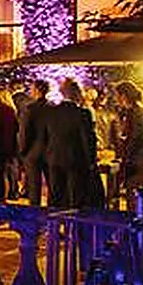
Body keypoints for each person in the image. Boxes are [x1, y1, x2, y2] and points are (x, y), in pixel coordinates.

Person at [46, 78, 98, 209]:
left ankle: (54, 225)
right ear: (77, 93)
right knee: (75, 197)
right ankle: (73, 227)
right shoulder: (82, 114)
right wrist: (91, 161)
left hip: (54, 159)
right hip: (75, 160)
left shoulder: (51, 113)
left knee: (56, 196)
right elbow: (87, 139)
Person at [111, 80, 143, 211]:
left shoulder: (132, 113)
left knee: (135, 199)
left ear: (123, 96)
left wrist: (124, 157)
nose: (116, 99)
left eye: (117, 95)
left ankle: (137, 227)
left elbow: (134, 138)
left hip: (138, 162)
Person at [18, 80, 54, 207]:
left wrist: (22, 150)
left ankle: (35, 216)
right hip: (50, 151)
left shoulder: (30, 109)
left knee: (34, 187)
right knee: (52, 186)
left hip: (32, 152)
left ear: (37, 90)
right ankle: (51, 214)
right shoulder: (53, 108)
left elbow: (25, 132)